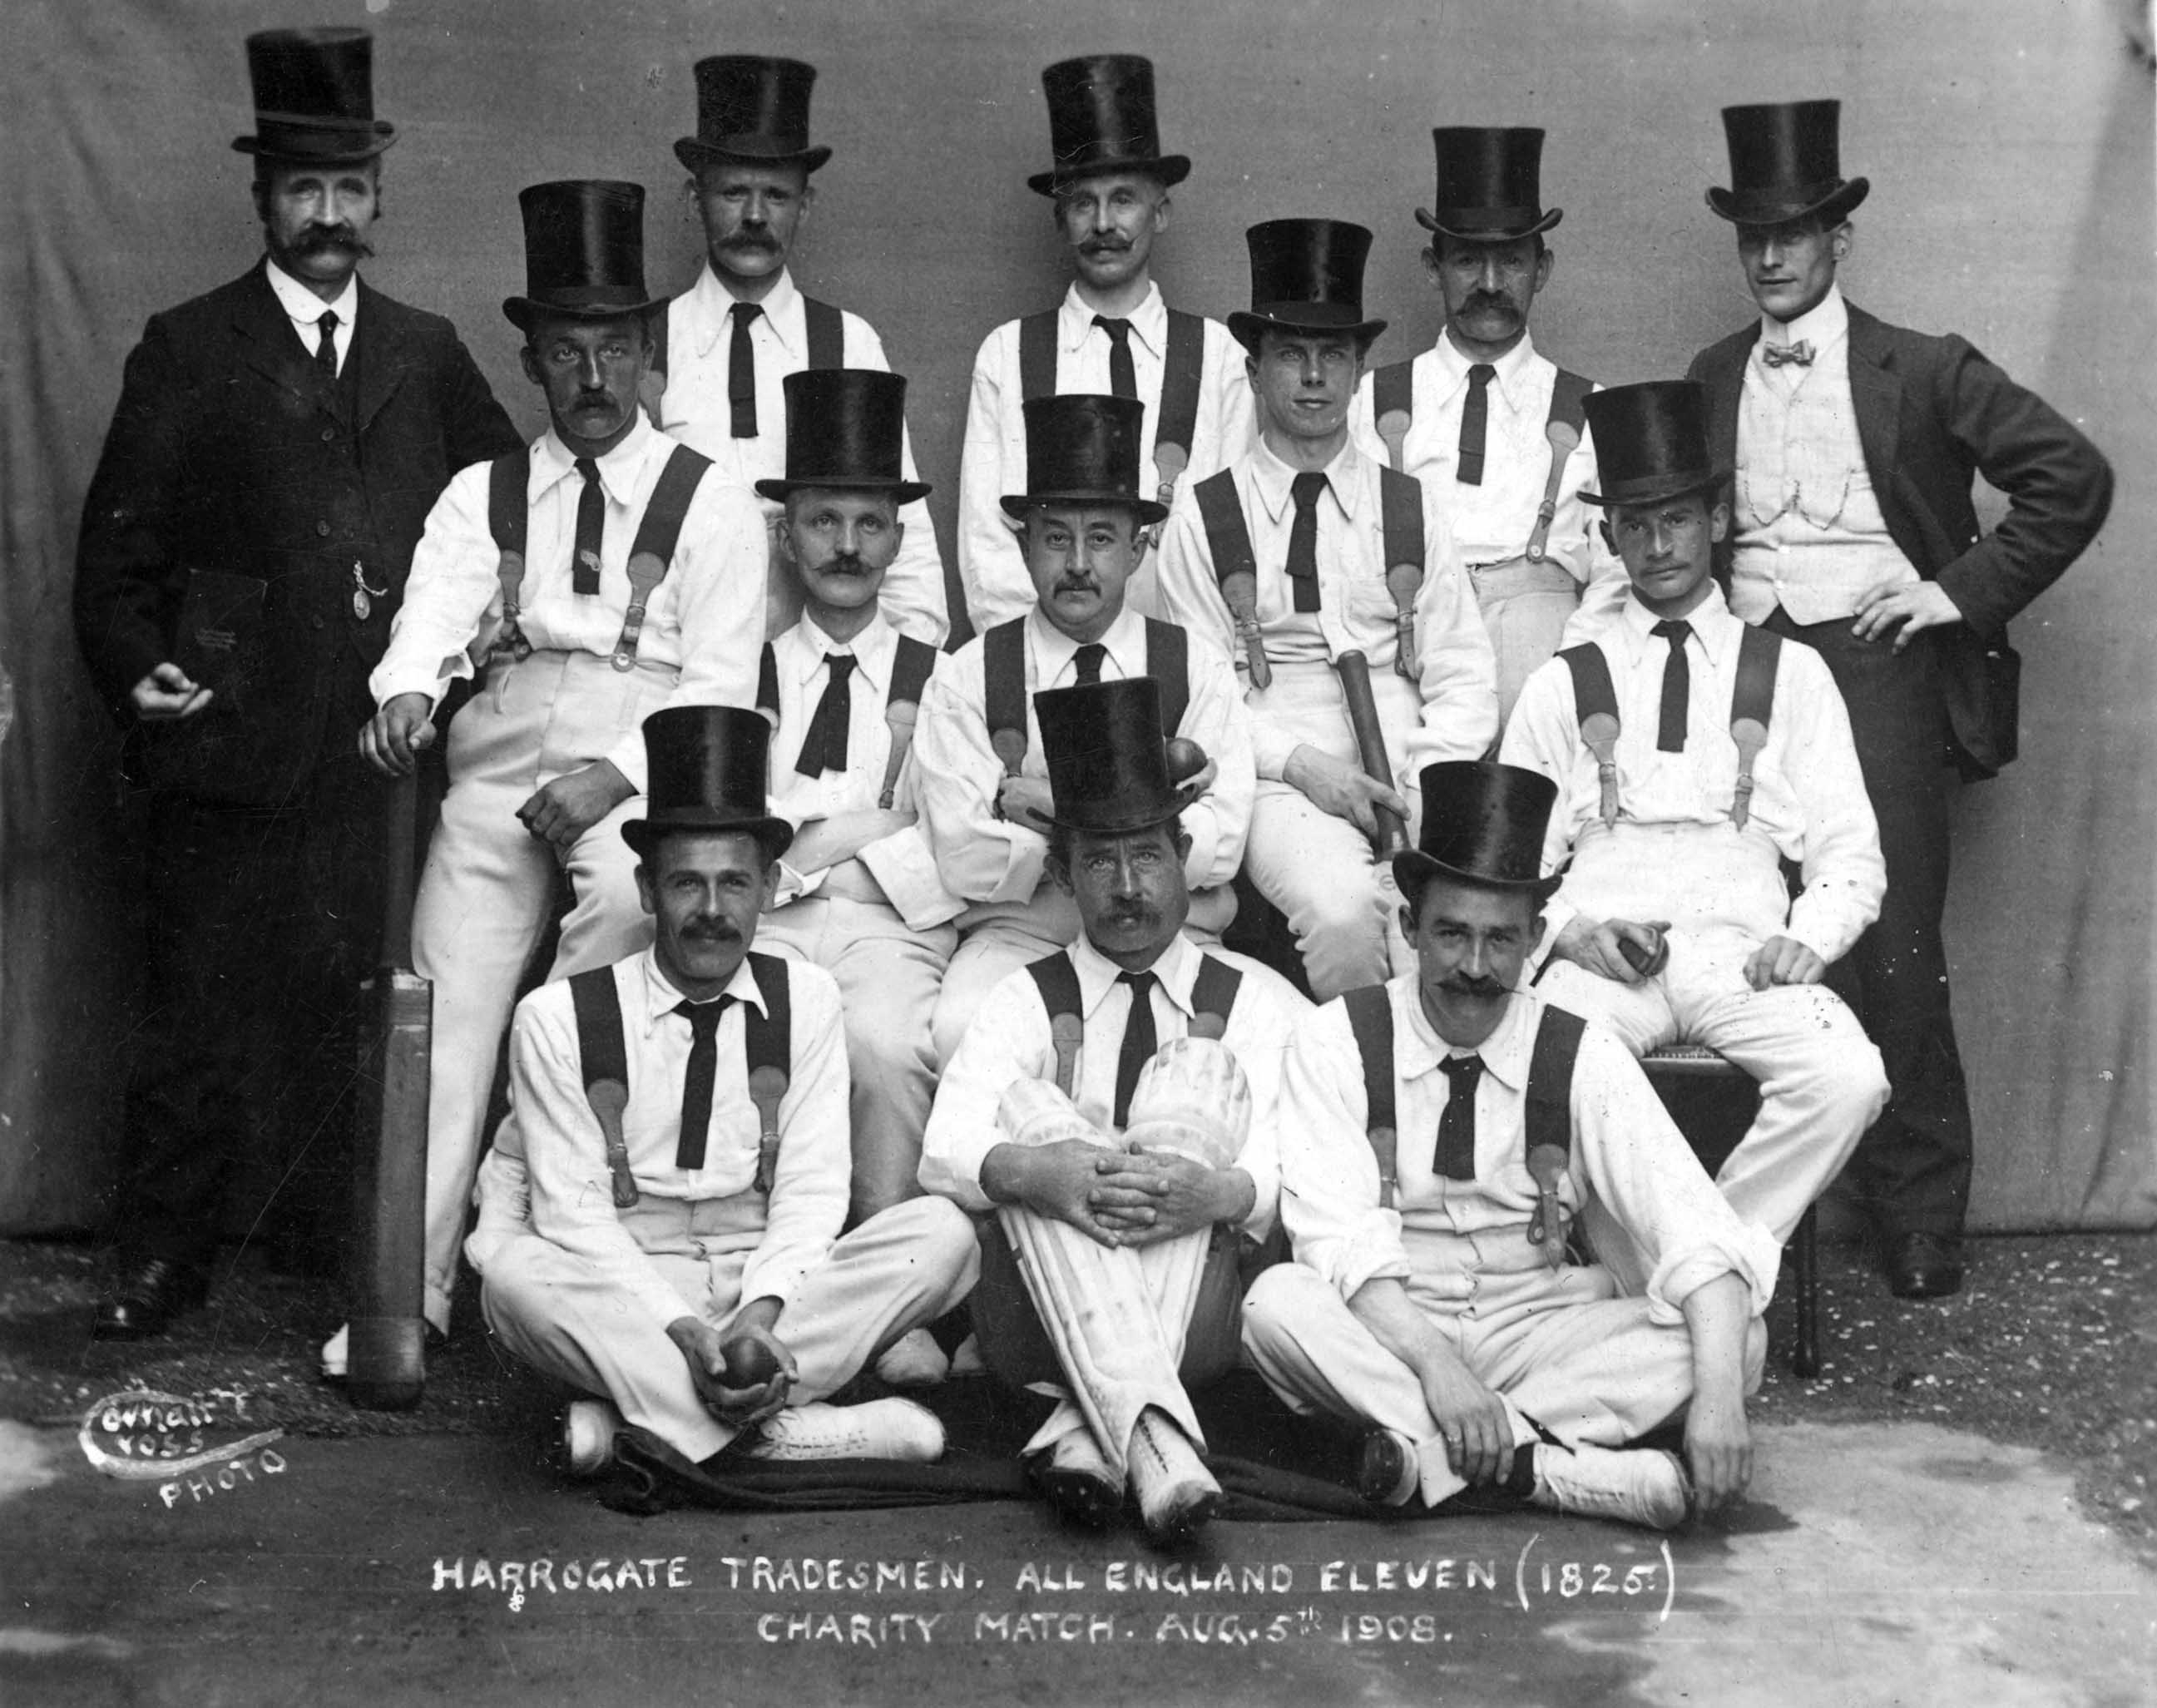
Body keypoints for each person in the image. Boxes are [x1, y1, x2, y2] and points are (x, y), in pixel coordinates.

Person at [72, 27, 519, 1338]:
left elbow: (518, 507)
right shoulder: (189, 345)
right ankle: (160, 1260)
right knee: (197, 1007)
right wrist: (137, 669)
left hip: (378, 753)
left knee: (355, 1006)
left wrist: (492, 619)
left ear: (380, 196)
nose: (329, 215)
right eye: (303, 189)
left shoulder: (428, 350)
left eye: (349, 188)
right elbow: (115, 555)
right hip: (228, 737)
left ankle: (339, 1256)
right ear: (262, 197)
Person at [332, 181, 766, 1369]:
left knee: (598, 979)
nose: (592, 377)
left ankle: (532, 1250)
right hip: (494, 770)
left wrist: (614, 778)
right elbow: (430, 618)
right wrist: (406, 692)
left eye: (614, 349)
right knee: (443, 1008)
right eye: (566, 351)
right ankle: (403, 1301)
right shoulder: (484, 491)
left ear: (647, 353)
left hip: (640, 773)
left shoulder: (712, 499)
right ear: (530, 363)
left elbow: (721, 685)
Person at [1685, 102, 2114, 1297]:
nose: (1771, 256)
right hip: (1746, 677)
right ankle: (1756, 1213)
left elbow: (2071, 478)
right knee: (1739, 922)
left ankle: (1919, 1212)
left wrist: (1951, 593)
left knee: (1892, 938)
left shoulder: (1921, 366)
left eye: (1793, 233)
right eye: (1752, 236)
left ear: (1839, 240)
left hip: (1879, 671)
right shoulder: (1713, 373)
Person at [1243, 760, 1778, 1529]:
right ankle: (1546, 1471)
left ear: (1533, 938)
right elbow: (1337, 1241)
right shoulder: (1337, 1040)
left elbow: (1699, 1233)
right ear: (1409, 929)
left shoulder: (1580, 1051)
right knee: (1275, 1305)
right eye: (1450, 933)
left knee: (1736, 1342)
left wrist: (1721, 1402)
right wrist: (1439, 1368)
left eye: (1499, 939)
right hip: (1393, 1334)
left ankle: (1432, 1461)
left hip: (1537, 1333)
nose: (1473, 966)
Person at [477, 706, 979, 1474]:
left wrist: (758, 1316)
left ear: (769, 888)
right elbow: (575, 1218)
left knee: (944, 1234)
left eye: (734, 883)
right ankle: (780, 1433)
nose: (712, 912)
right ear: (646, 890)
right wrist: (683, 1328)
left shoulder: (806, 997)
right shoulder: (558, 1017)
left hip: (769, 1282)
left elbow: (812, 1193)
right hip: (629, 1284)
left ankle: (652, 1425)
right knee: (512, 1280)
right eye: (687, 883)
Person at [1499, 380, 1890, 1255]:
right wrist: (1569, 932)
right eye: (1633, 524)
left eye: (1675, 519)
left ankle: (1705, 1261)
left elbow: (1850, 853)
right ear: (1608, 537)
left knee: (1848, 1076)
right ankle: (1677, 1281)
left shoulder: (1789, 671)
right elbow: (1510, 863)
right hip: (1604, 951)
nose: (1656, 545)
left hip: (1741, 954)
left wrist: (1808, 939)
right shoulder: (1564, 680)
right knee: (1539, 1068)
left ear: (1714, 520)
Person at [920, 677, 1310, 1544]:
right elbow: (943, 1145)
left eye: (1147, 857)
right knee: (1037, 1125)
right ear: (1063, 874)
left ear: (1183, 854)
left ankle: (1088, 1431)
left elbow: (1298, 1155)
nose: (1128, 887)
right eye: (1099, 862)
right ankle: (1152, 1437)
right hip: (1038, 1325)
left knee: (1192, 1126)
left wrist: (1216, 1193)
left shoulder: (1253, 999)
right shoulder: (1021, 994)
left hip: (1198, 1316)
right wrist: (1043, 1174)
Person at [1154, 219, 1497, 1001]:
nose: (1313, 377)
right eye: (1290, 355)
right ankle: (1364, 1071)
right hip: (1278, 774)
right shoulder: (1204, 516)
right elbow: (1205, 698)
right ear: (1253, 370)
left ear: (1358, 369)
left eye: (1333, 355)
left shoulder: (1408, 505)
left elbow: (1464, 672)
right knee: (1343, 914)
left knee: (1446, 928)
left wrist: (1420, 781)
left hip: (1411, 769)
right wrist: (1309, 770)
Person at [913, 394, 1254, 1066]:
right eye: (1054, 538)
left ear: (1136, 548)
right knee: (960, 1030)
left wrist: (1048, 805)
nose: (1076, 563)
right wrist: (1145, 817)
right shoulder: (968, 674)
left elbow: (1221, 843)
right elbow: (964, 851)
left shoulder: (1194, 664)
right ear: (1023, 546)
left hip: (1173, 937)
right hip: (1023, 936)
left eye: (1099, 537)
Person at [751, 367, 966, 1384]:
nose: (846, 545)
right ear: (786, 535)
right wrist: (855, 827)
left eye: (869, 523)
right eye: (823, 520)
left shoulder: (944, 676)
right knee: (752, 1031)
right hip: (774, 916)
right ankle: (756, 1274)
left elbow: (951, 837)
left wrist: (824, 838)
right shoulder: (746, 671)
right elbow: (745, 836)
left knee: (883, 1045)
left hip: (892, 921)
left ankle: (885, 1299)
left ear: (897, 538)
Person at [651, 54, 947, 646]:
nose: (755, 216)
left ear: (805, 205)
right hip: (672, 657)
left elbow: (901, 533)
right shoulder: (645, 343)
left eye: (777, 196)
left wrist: (906, 671)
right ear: (693, 199)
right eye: (733, 192)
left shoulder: (848, 341)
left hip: (814, 664)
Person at [957, 54, 1253, 627]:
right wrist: (1034, 664)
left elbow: (1228, 535)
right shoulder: (1008, 354)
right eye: (1081, 203)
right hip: (1044, 656)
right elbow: (986, 547)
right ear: (1059, 219)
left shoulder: (1218, 355)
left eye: (1123, 199)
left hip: (1182, 653)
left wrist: (1188, 662)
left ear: (1159, 213)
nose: (1101, 224)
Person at [1350, 127, 1625, 719]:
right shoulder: (1371, 400)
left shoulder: (1590, 408)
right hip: (1408, 661)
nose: (1492, 284)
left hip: (1542, 659)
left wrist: (1565, 675)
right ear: (1433, 267)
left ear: (1542, 269)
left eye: (1512, 261)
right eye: (1469, 260)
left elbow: (1616, 575)